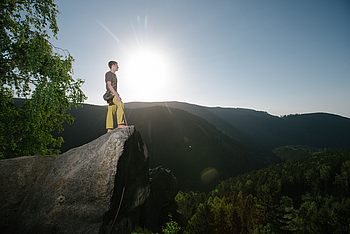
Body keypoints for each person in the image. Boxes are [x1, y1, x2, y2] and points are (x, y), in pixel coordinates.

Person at [105, 60, 126, 132]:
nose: (118, 67)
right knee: (120, 104)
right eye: (117, 65)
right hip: (112, 95)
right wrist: (116, 95)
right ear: (113, 65)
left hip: (111, 95)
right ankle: (120, 124)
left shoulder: (114, 75)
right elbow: (109, 85)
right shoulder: (109, 74)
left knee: (111, 110)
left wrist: (117, 93)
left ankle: (109, 128)